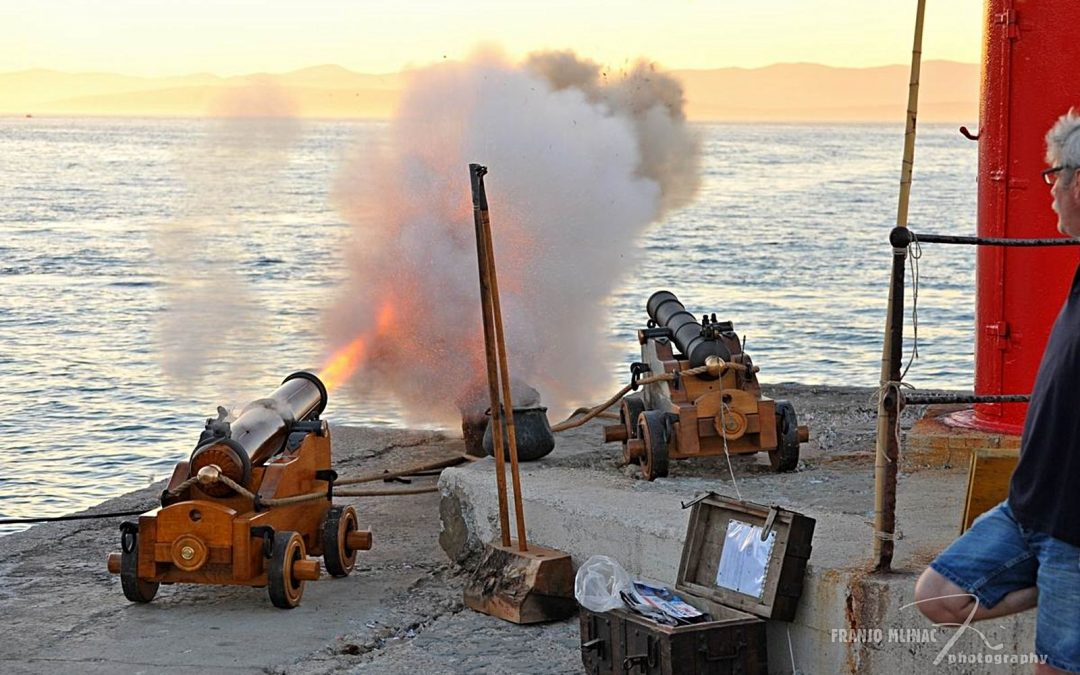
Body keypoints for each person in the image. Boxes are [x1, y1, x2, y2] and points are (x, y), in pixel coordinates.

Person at [915, 110, 1080, 674]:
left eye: (1053, 176)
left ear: (1079, 181)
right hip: (1028, 508)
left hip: (1074, 526)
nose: (1050, 189)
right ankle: (1046, 584)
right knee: (938, 595)